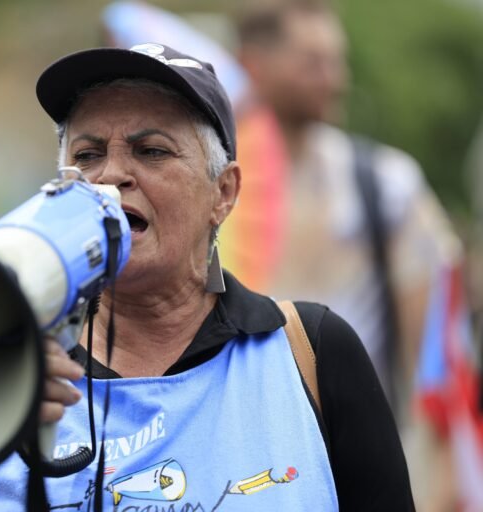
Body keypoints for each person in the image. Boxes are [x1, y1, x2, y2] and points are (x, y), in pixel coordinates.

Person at [0, 43, 414, 511]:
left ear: (224, 193)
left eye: (152, 151)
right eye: (88, 155)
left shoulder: (310, 353)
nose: (111, 177)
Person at [233, 1, 463, 507]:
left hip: (364, 461)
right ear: (253, 64)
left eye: (337, 61)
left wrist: (444, 470)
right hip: (253, 466)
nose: (335, 80)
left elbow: (436, 353)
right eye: (312, 63)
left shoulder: (385, 185)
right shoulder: (218, 192)